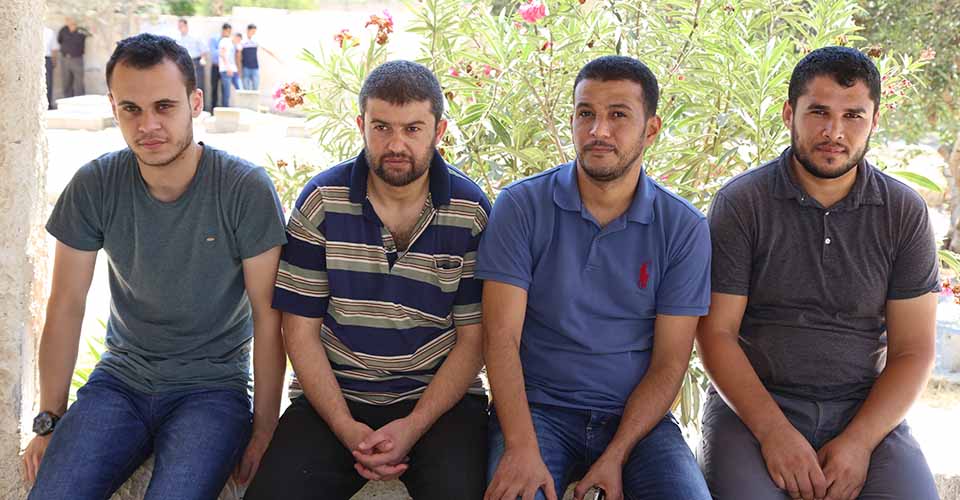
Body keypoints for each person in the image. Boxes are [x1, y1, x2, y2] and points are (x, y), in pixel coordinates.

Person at [20, 33, 287, 500]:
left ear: (195, 102)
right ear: (113, 107)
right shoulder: (96, 184)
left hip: (212, 390)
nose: (148, 125)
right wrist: (49, 419)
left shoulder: (243, 188)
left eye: (164, 106)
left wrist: (265, 430)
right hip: (118, 383)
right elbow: (66, 304)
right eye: (131, 109)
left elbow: (269, 317)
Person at [697, 46, 940, 500]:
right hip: (755, 409)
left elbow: (913, 350)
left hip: (864, 410)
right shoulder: (743, 203)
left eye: (853, 116)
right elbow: (716, 334)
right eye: (819, 112)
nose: (834, 132)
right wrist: (773, 432)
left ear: (874, 121)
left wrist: (859, 443)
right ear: (789, 113)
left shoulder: (903, 212)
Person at [244, 60, 490, 500]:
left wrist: (413, 426)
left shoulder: (470, 210)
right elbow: (299, 332)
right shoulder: (322, 201)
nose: (396, 144)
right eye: (382, 127)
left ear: (438, 131)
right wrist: (345, 426)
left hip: (438, 402)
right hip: (335, 396)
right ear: (361, 126)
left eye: (413, 129)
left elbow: (474, 341)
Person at [479, 55, 712, 500]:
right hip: (537, 413)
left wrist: (617, 453)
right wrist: (521, 447)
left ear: (651, 130)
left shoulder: (682, 226)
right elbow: (500, 338)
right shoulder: (522, 206)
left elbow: (670, 362)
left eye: (618, 115)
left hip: (638, 422)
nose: (598, 131)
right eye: (585, 113)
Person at [175, 18, 207, 104]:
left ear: (186, 26)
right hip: (183, 63)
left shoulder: (195, 36)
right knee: (186, 85)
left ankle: (201, 106)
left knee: (199, 84)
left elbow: (204, 50)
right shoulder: (178, 39)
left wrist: (203, 59)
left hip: (195, 62)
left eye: (181, 26)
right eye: (179, 26)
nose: (180, 28)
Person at [57, 17, 88, 98]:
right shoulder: (63, 30)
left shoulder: (82, 30)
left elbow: (89, 35)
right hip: (65, 59)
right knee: (66, 81)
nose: (69, 21)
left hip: (77, 59)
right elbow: (59, 40)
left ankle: (80, 99)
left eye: (71, 19)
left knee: (79, 82)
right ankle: (67, 99)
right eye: (67, 20)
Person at [240, 24, 277, 91]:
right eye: (253, 31)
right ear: (248, 30)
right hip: (245, 68)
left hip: (255, 68)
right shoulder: (242, 41)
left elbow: (266, 49)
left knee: (255, 89)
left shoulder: (255, 40)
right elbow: (238, 54)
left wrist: (276, 56)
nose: (254, 33)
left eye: (255, 32)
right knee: (246, 90)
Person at [217, 23, 236, 107]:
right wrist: (228, 68)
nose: (229, 32)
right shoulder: (223, 41)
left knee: (237, 90)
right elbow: (222, 54)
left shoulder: (229, 41)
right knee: (226, 93)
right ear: (223, 31)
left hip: (232, 69)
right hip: (226, 70)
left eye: (230, 31)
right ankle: (225, 110)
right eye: (227, 31)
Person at [44, 26, 59, 109]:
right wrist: (54, 62)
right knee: (48, 83)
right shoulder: (49, 32)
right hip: (47, 60)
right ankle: (48, 105)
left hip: (38, 59)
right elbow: (54, 49)